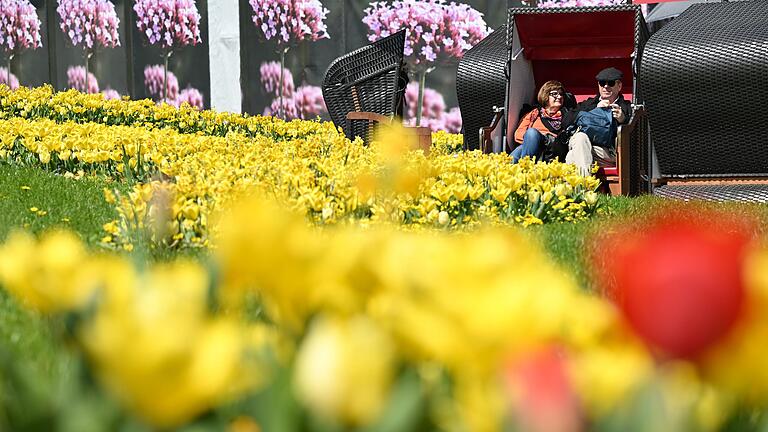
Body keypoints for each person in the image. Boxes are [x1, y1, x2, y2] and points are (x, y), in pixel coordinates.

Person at [565, 67, 632, 176]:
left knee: (572, 156)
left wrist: (624, 120)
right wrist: (594, 110)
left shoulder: (626, 107)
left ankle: (581, 189)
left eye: (610, 83)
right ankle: (585, 186)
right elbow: (566, 120)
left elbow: (637, 132)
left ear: (619, 86)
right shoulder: (589, 104)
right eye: (602, 83)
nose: (606, 86)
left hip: (609, 152)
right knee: (580, 138)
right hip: (584, 144)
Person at [512, 80, 570, 163]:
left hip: (552, 148)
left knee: (526, 140)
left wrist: (545, 137)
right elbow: (518, 134)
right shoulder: (534, 113)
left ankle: (525, 168)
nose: (559, 96)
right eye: (555, 94)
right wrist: (533, 140)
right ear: (546, 96)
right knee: (528, 138)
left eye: (561, 94)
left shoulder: (567, 114)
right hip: (531, 147)